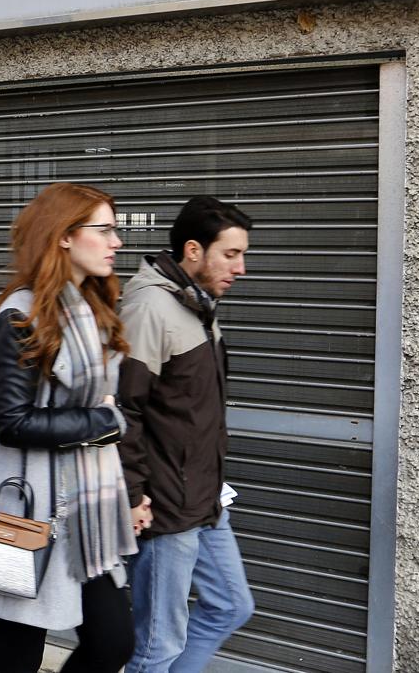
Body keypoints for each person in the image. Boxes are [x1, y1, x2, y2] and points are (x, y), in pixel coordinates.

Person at [0, 183, 145, 673]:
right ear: (64, 237)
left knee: (113, 642)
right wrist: (105, 419)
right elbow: (10, 422)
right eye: (105, 229)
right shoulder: (21, 317)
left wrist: (131, 493)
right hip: (25, 515)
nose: (117, 241)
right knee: (15, 665)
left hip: (88, 514)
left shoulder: (92, 313)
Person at [118, 196, 255, 672]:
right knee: (156, 647)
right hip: (164, 507)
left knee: (231, 606)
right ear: (193, 251)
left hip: (204, 497)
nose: (241, 267)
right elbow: (123, 409)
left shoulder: (196, 305)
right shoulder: (150, 307)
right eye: (231, 254)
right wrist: (134, 494)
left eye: (242, 254)